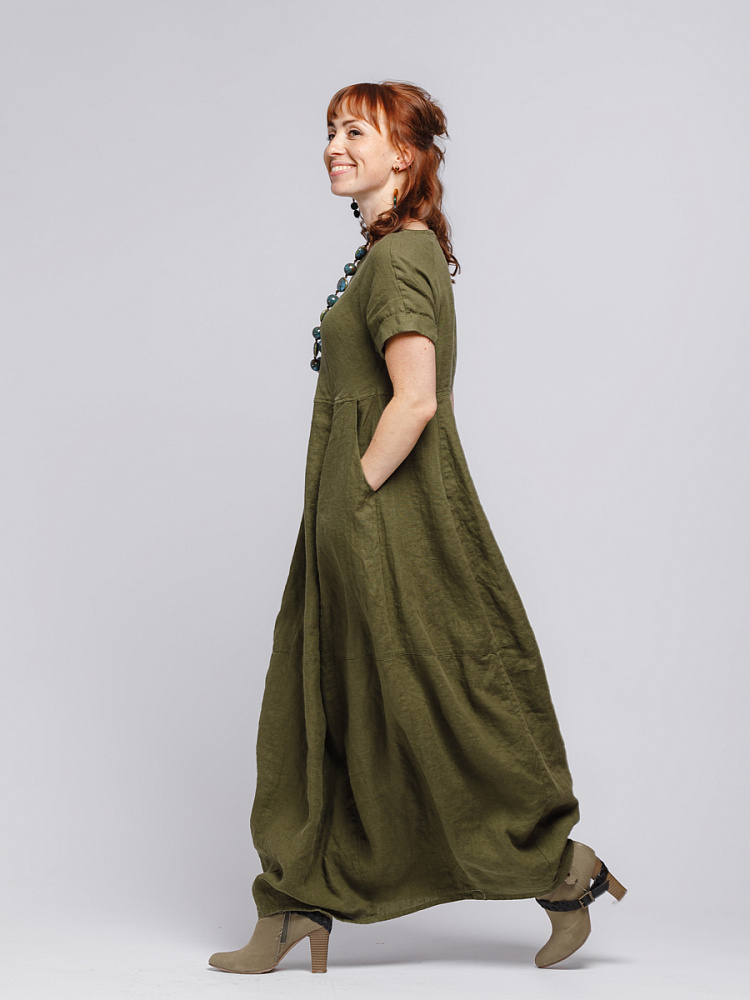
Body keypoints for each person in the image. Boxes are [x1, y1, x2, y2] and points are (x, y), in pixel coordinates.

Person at [208, 80, 626, 977]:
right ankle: (297, 902)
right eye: (330, 130)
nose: (334, 144)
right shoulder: (387, 252)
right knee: (335, 697)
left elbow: (417, 399)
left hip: (380, 517)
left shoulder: (399, 256)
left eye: (355, 130)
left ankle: (560, 868)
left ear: (404, 153)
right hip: (357, 517)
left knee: (419, 696)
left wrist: (354, 498)